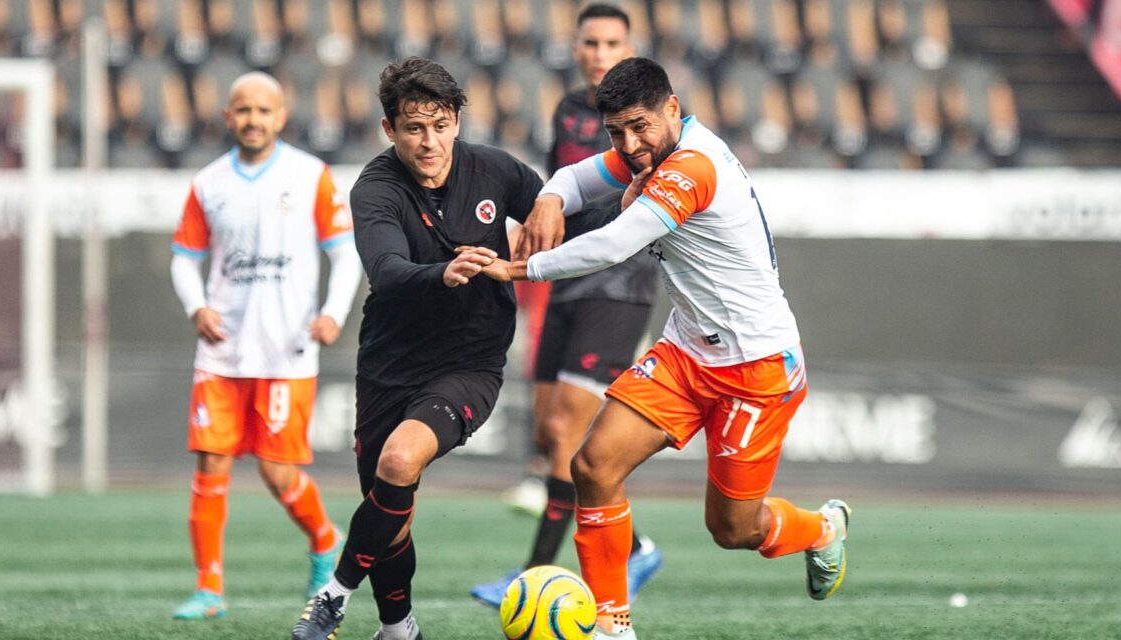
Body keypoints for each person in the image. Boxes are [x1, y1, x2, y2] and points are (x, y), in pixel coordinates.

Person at [483, 58, 851, 639]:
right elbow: (579, 178)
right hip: (686, 353)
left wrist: (521, 268)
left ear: (672, 109)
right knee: (592, 466)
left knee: (733, 529)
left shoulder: (693, 166)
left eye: (639, 126)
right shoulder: (652, 152)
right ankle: (613, 625)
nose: (629, 144)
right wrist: (551, 196)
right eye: (616, 132)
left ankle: (823, 529)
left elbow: (613, 245)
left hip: (756, 368)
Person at [289, 57, 544, 640]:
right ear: (389, 129)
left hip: (470, 364)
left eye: (440, 125)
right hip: (389, 366)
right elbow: (386, 269)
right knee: (388, 510)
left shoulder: (498, 172)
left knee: (399, 460)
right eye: (413, 128)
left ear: (457, 121)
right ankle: (399, 629)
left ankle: (332, 595)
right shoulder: (375, 189)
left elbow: (564, 217)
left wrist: (548, 229)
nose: (429, 142)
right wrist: (444, 273)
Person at [472, 2, 663, 610]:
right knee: (549, 425)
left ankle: (533, 574)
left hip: (620, 281)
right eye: (590, 43)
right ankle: (634, 550)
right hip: (567, 278)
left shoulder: (650, 117)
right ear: (576, 49)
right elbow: (561, 191)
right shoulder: (569, 110)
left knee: (565, 432)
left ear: (629, 49)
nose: (600, 53)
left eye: (612, 43)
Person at [168, 71, 363, 621]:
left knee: (278, 474)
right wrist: (196, 307)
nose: (253, 119)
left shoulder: (310, 175)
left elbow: (344, 254)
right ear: (227, 117)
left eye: (264, 110)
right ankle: (209, 591)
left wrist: (332, 313)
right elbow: (184, 257)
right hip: (222, 351)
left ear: (281, 117)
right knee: (211, 466)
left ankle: (326, 541)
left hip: (287, 352)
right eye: (243, 110)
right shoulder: (208, 183)